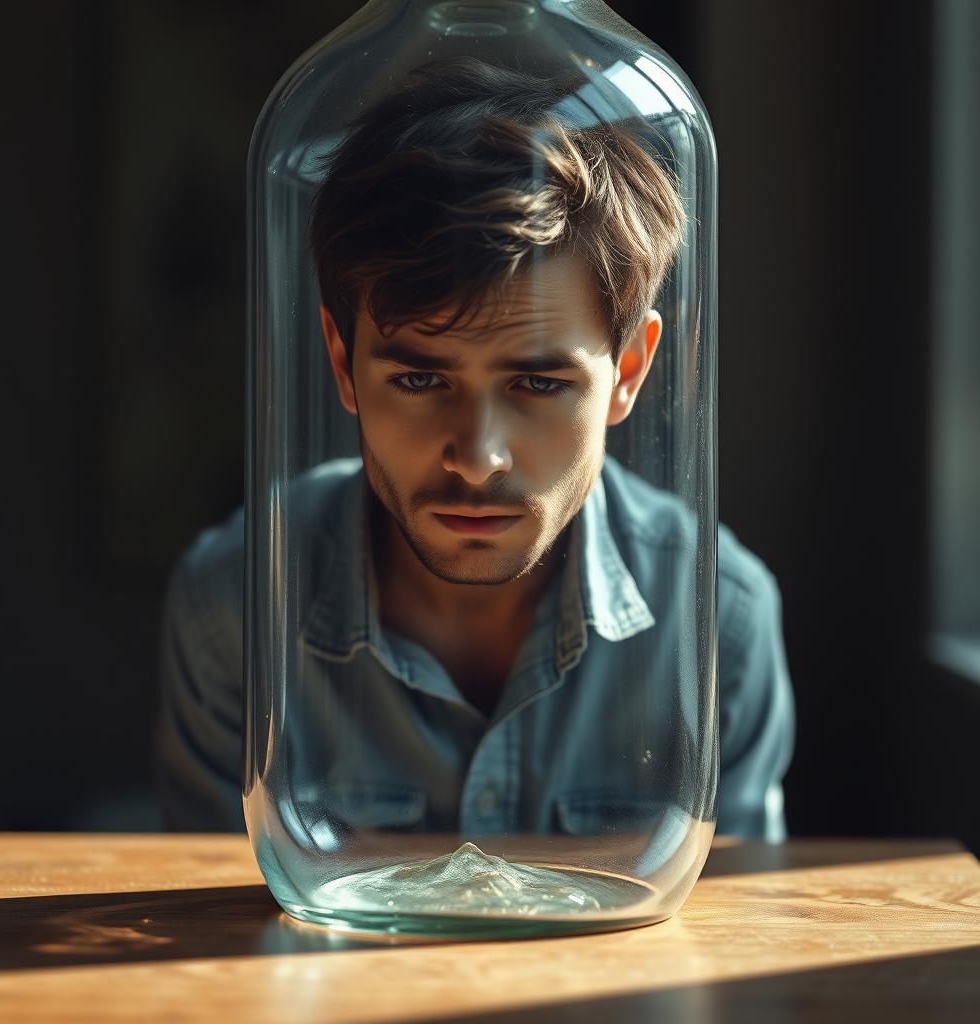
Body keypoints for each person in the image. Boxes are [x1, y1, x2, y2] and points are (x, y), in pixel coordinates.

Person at [156, 58, 795, 842]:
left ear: (628, 373)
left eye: (536, 384)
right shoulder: (234, 606)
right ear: (341, 362)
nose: (479, 457)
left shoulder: (721, 620)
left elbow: (726, 925)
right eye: (422, 379)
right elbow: (214, 928)